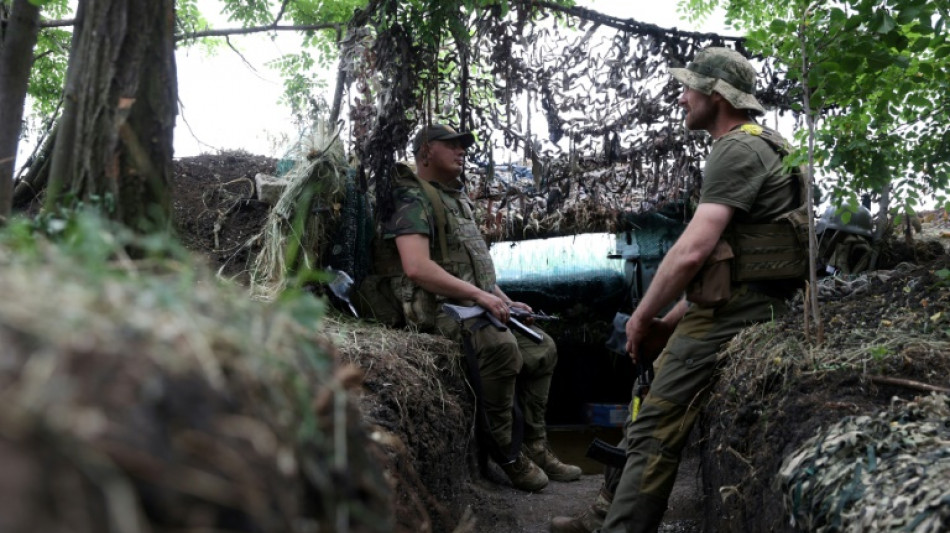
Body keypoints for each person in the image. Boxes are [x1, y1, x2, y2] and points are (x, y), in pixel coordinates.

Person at [551, 47, 807, 532]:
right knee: (646, 393)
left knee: (654, 423)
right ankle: (609, 510)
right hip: (747, 299)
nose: (681, 97)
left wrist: (644, 315)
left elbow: (693, 251)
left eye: (689, 87)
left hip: (742, 308)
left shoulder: (735, 148)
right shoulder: (766, 143)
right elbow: (736, 261)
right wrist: (671, 322)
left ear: (716, 94)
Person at [366, 123, 582, 492]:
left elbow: (474, 270)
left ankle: (536, 445)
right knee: (501, 349)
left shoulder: (455, 199)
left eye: (462, 145)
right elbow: (416, 267)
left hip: (471, 305)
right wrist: (482, 298)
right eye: (451, 145)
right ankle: (507, 453)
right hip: (434, 310)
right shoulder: (411, 197)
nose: (460, 150)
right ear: (426, 151)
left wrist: (504, 299)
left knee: (542, 348)